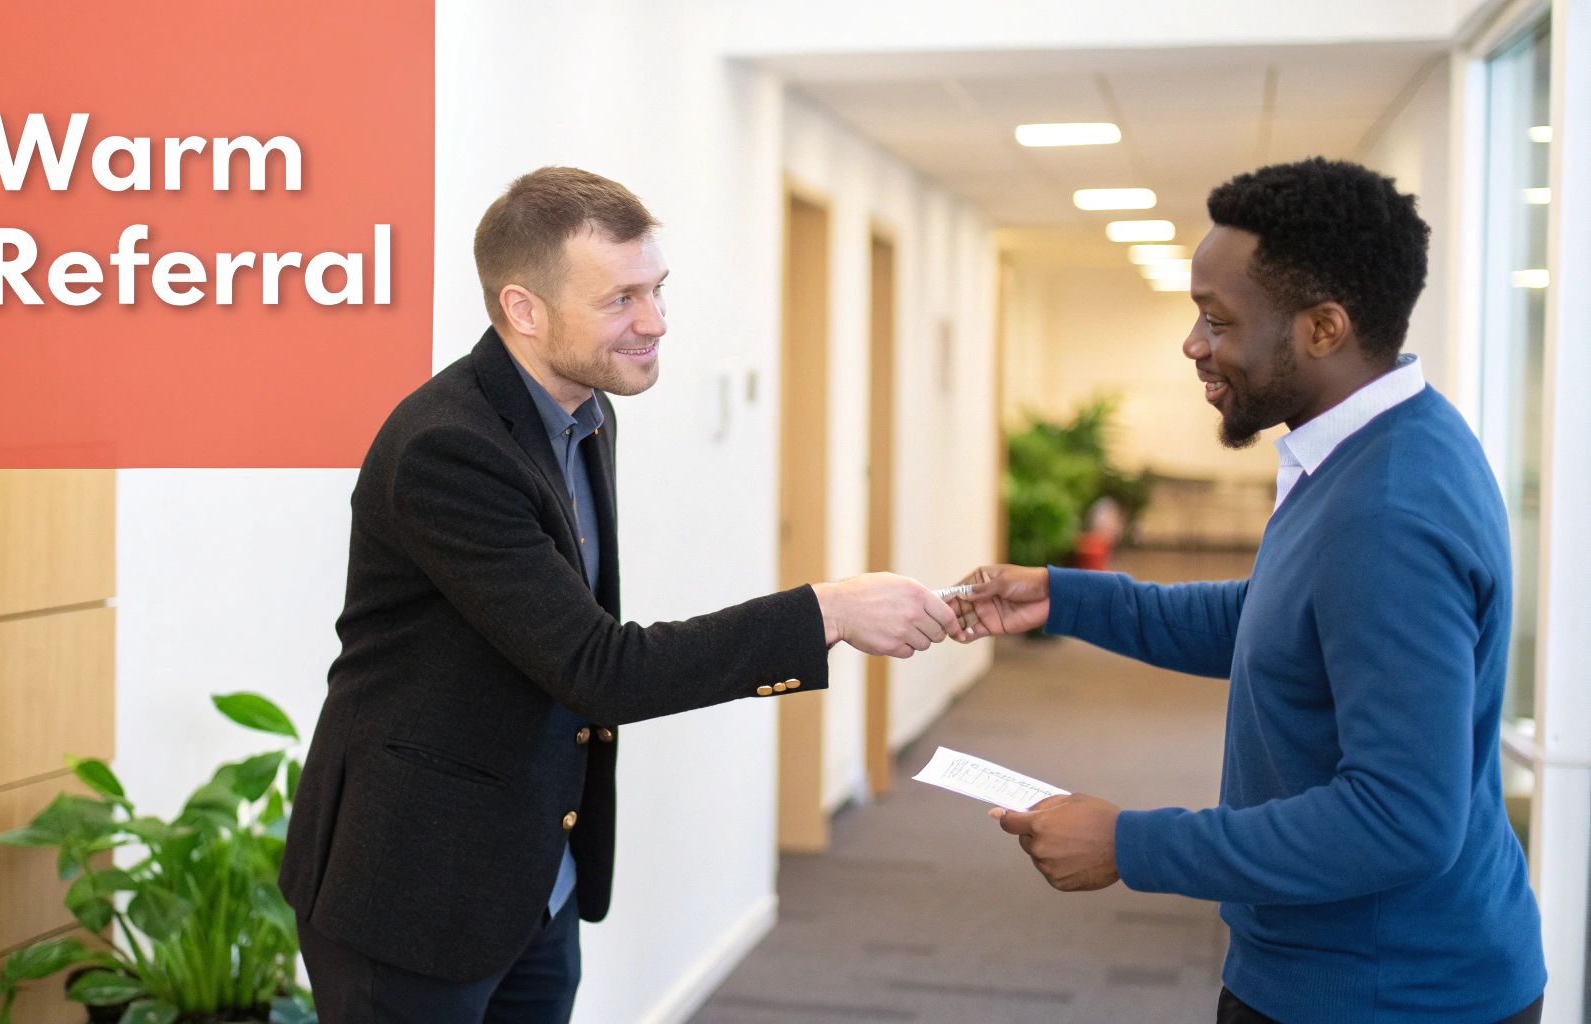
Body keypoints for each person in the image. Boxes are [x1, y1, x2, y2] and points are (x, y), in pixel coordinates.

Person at [279, 166, 961, 1022]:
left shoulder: (586, 416)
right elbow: (599, 667)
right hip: (419, 886)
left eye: (657, 290)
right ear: (524, 310)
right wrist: (825, 611)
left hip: (537, 874)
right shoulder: (448, 450)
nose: (656, 322)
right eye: (621, 300)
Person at [952, 158, 1546, 1024]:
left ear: (1323, 327)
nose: (1193, 345)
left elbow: (1399, 819)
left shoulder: (1387, 512)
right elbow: (1279, 621)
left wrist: (1129, 843)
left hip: (1386, 995)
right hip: (1357, 970)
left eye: (1215, 319)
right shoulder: (1377, 443)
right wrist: (1071, 599)